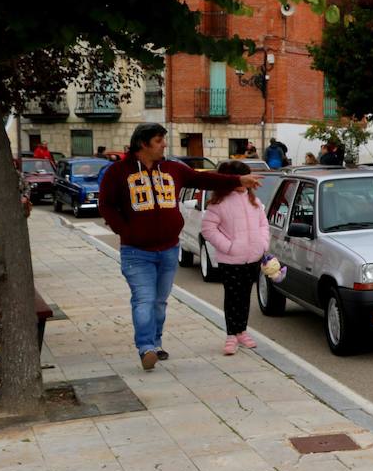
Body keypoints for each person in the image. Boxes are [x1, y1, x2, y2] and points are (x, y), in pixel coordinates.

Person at [98, 123, 260, 370]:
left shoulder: (173, 169)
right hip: (136, 252)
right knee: (144, 299)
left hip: (169, 249)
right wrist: (124, 229)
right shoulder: (117, 172)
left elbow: (202, 178)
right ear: (143, 144)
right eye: (159, 140)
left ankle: (156, 342)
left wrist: (238, 179)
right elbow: (106, 205)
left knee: (160, 302)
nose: (164, 144)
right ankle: (145, 348)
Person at [200, 160, 270, 356]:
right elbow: (208, 229)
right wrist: (229, 246)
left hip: (253, 257)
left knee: (246, 295)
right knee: (232, 296)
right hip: (230, 260)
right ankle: (231, 334)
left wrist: (263, 243)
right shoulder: (219, 203)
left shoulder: (254, 201)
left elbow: (264, 224)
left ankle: (242, 331)